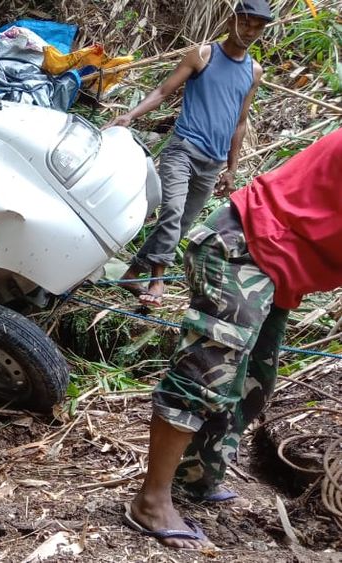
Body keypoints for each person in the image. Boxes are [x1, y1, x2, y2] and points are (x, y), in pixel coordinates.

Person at [126, 128, 342, 549]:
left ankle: (197, 479)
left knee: (252, 384)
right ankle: (150, 502)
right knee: (205, 377)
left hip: (277, 266)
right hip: (242, 246)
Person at [107, 0, 272, 307]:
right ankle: (157, 280)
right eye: (245, 22)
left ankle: (132, 272)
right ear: (231, 20)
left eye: (257, 27)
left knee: (182, 224)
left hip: (213, 164)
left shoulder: (254, 71)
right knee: (172, 212)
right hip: (183, 149)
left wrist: (231, 168)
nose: (250, 31)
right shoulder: (203, 55)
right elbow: (162, 91)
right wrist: (130, 115)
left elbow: (240, 121)